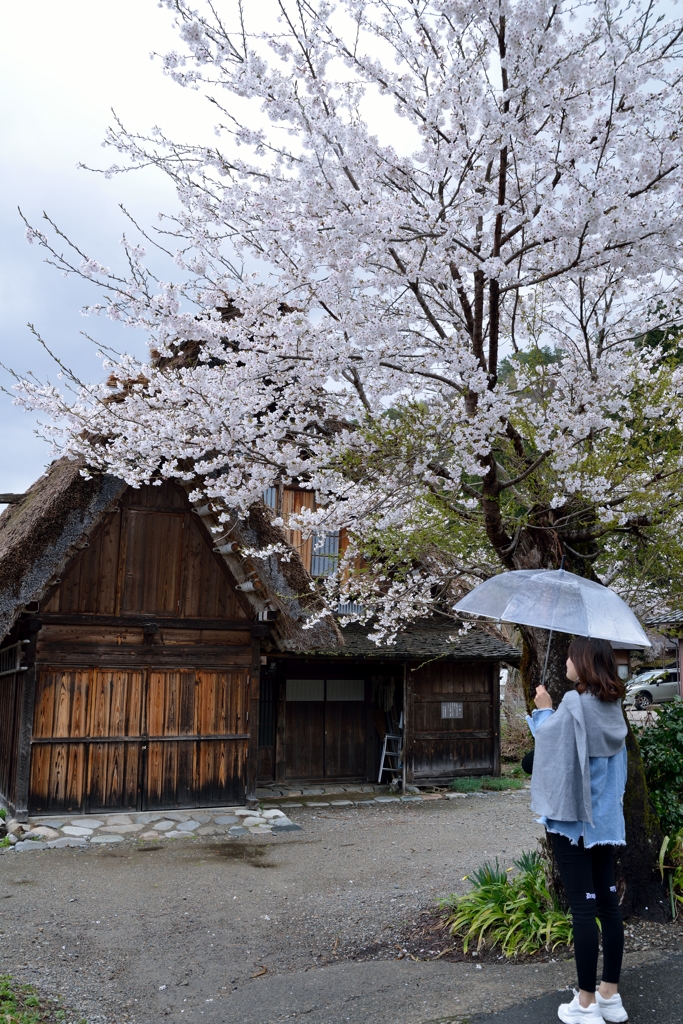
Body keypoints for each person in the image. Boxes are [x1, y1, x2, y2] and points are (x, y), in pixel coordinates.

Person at [527, 637, 629, 1024]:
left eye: (570, 657)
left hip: (572, 821)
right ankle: (609, 996)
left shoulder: (572, 705)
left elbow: (548, 748)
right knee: (607, 904)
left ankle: (585, 1004)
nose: (566, 661)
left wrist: (544, 709)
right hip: (604, 822)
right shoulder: (613, 707)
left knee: (583, 909)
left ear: (582, 663)